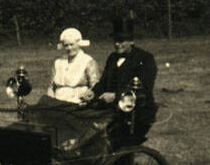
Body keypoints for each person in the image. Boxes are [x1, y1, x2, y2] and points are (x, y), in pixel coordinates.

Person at [83, 16, 158, 147]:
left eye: (122, 40)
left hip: (136, 110)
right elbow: (103, 83)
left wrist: (115, 96)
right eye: (116, 40)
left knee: (109, 137)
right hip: (113, 109)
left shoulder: (145, 59)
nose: (117, 44)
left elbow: (143, 89)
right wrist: (93, 93)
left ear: (132, 41)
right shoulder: (112, 58)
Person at [46, 27, 100, 105]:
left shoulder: (88, 61)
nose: (69, 48)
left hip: (78, 101)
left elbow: (95, 87)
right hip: (58, 101)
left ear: (78, 44)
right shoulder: (58, 62)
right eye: (66, 45)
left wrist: (87, 97)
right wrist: (51, 100)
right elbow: (51, 87)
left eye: (72, 44)